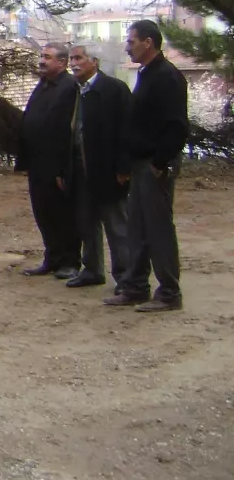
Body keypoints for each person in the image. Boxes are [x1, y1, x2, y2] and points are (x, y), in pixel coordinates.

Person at [104, 20, 189, 312]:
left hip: (155, 165)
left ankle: (169, 294)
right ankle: (135, 287)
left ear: (148, 42)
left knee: (158, 229)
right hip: (141, 163)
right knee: (137, 228)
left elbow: (176, 126)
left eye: (131, 41)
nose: (127, 47)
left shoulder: (167, 77)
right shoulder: (147, 74)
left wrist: (159, 162)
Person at [65, 44, 132, 290]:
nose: (74, 63)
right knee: (86, 221)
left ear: (94, 61)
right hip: (81, 170)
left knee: (117, 225)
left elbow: (126, 132)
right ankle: (92, 269)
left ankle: (126, 278)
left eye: (79, 58)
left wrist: (124, 168)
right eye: (71, 58)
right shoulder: (75, 91)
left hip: (108, 171)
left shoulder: (113, 89)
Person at [16, 42, 79, 279]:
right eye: (42, 56)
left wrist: (63, 169)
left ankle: (70, 261)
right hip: (37, 163)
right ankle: (52, 258)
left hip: (57, 166)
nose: (42, 61)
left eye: (48, 57)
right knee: (43, 213)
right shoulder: (43, 85)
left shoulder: (69, 87)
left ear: (62, 63)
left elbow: (67, 131)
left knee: (63, 215)